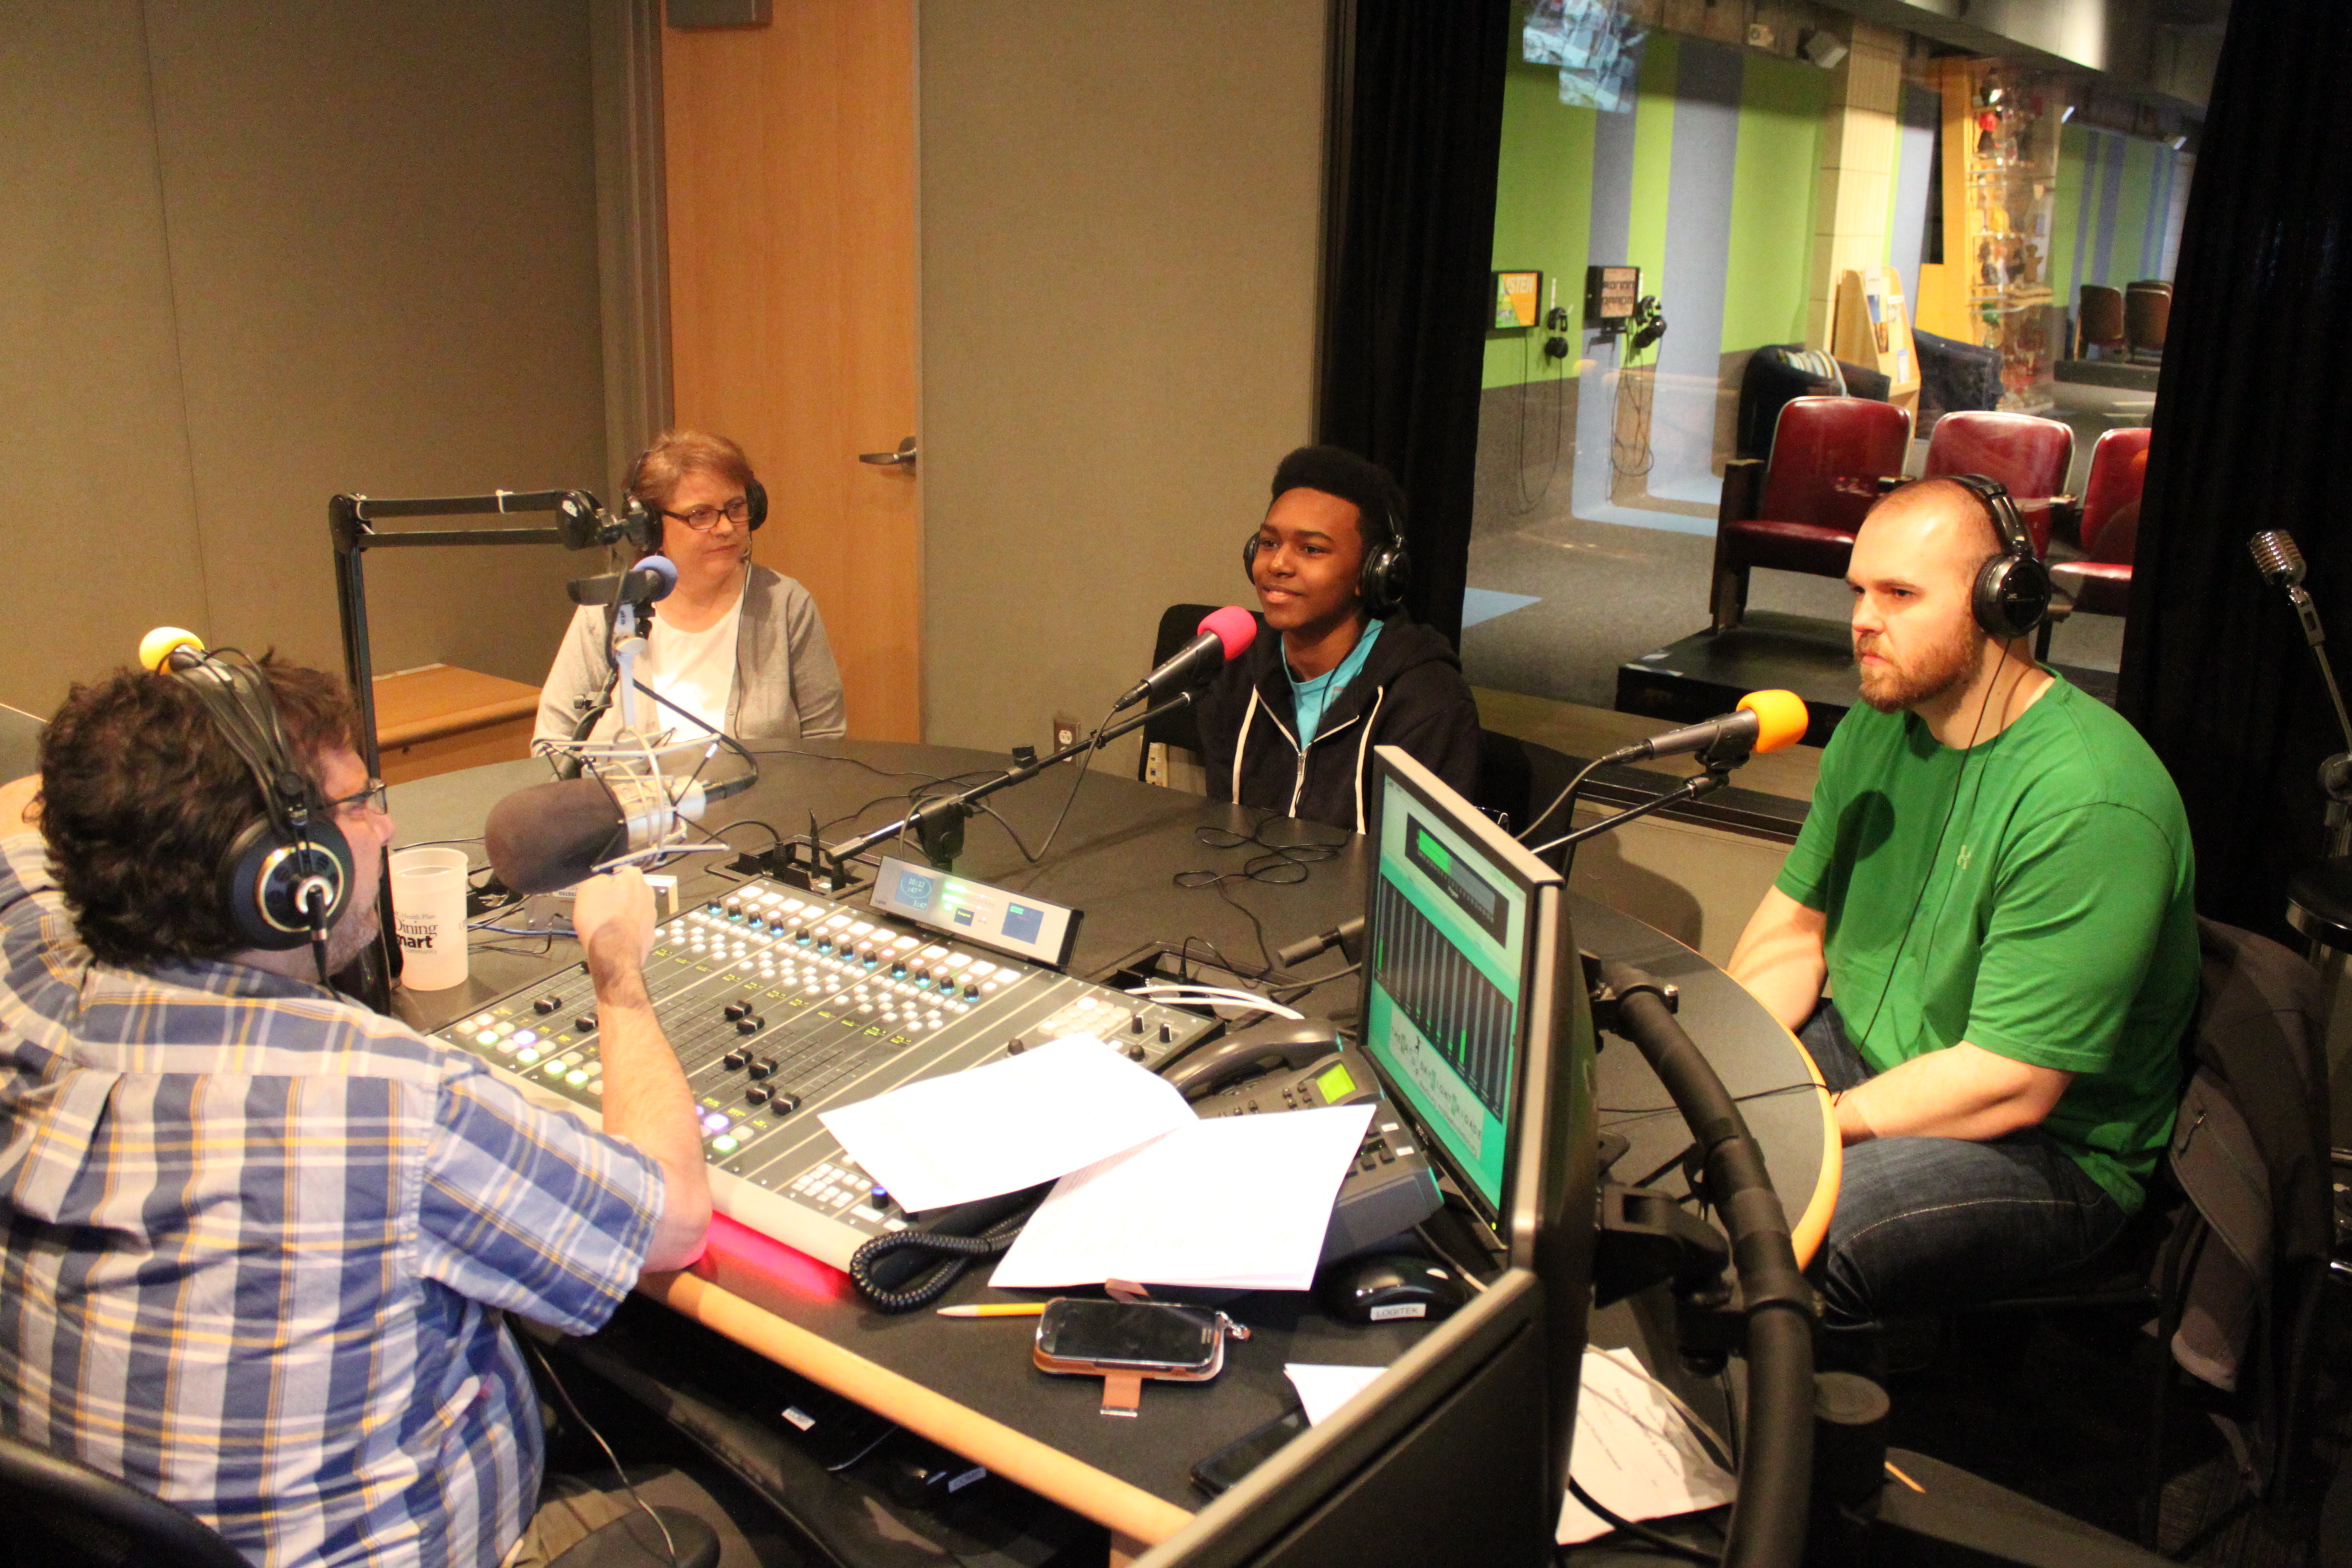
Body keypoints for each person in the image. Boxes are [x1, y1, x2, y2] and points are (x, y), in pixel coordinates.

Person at [0, 656, 712, 1567]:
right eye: (356, 807)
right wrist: (616, 965)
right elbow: (672, 1219)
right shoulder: (383, 1099)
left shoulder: (27, 974)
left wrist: (171, 754)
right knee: (734, 1509)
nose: (384, 826)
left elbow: (24, 806)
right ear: (283, 876)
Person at [1725, 476, 2199, 1340]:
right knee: (1683, 1130)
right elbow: (1795, 929)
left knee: (1796, 1228)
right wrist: (1724, 1062)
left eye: (1901, 594)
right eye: (1859, 592)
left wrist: (1810, 1123)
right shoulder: (1880, 724)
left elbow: (2009, 1082)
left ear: (2000, 602)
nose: (1864, 621)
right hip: (1876, 1052)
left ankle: (1809, 1420)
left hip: (2052, 1145)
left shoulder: (2092, 800)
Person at [1194, 445, 1482, 832]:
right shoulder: (1235, 671)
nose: (1277, 564)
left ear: (1372, 572)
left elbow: (1420, 859)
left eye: (1311, 549)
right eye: (1269, 543)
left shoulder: (1426, 701)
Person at [536, 430, 847, 750]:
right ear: (650, 526)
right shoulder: (607, 609)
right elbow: (552, 743)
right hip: (626, 786)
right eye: (700, 514)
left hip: (767, 786)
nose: (726, 527)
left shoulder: (785, 604)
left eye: (736, 508)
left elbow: (826, 742)